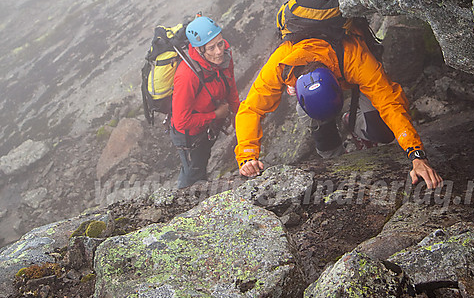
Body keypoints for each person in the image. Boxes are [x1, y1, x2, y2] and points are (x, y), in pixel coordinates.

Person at [234, 33, 442, 189]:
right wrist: (247, 156)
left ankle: (351, 121)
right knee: (322, 136)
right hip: (320, 92)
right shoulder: (281, 63)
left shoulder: (355, 58)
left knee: (384, 132)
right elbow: (251, 108)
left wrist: (416, 155)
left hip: (350, 79)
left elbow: (390, 103)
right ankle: (334, 158)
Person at [170, 15, 240, 189]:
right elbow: (181, 122)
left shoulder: (224, 55)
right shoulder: (187, 76)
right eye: (211, 48)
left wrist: (240, 116)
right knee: (193, 173)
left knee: (200, 163)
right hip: (190, 135)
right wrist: (216, 115)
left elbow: (230, 86)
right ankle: (185, 203)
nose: (218, 51)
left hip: (208, 126)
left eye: (220, 43)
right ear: (199, 49)